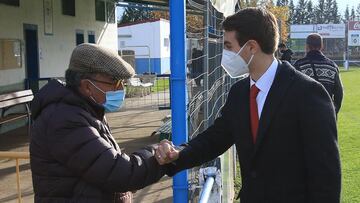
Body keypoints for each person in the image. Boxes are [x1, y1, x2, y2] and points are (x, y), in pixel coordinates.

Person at [155, 8, 341, 203]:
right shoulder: (239, 92)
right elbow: (216, 138)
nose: (224, 54)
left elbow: (326, 176)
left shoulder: (308, 93)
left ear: (251, 47)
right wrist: (179, 154)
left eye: (228, 46)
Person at [30, 43, 165, 202]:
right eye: (114, 81)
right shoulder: (64, 120)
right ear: (87, 86)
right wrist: (159, 154)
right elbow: (118, 173)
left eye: (122, 82)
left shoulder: (87, 111)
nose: (121, 88)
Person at [294, 33, 343, 114]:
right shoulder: (332, 66)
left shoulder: (299, 65)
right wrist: (334, 112)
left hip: (305, 116)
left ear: (307, 46)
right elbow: (339, 93)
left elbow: (292, 93)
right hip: (327, 115)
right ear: (321, 46)